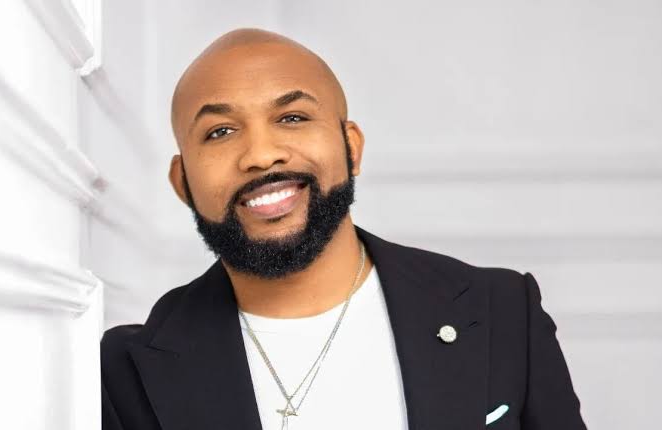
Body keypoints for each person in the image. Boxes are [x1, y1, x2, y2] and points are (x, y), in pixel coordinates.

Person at [101, 28, 587, 430]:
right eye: (220, 132)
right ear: (182, 182)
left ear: (351, 148)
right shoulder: (123, 371)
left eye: (292, 117)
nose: (261, 155)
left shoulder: (501, 310)